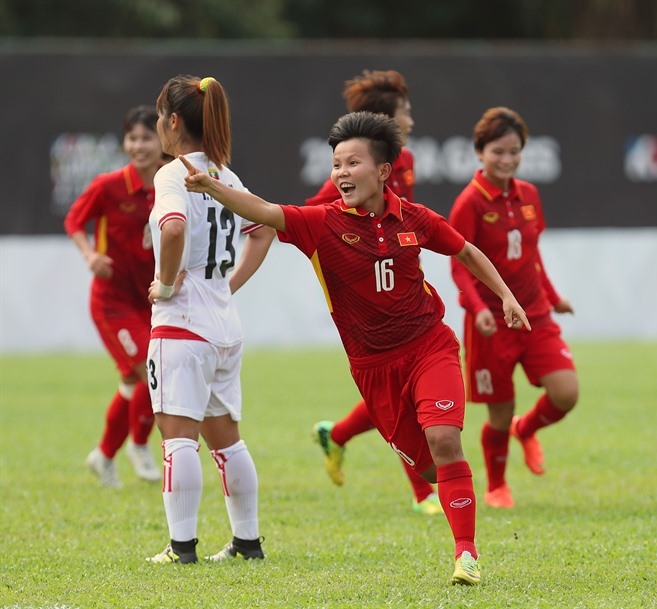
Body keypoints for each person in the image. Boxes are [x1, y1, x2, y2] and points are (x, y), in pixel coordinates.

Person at [180, 110, 532, 585]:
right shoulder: (319, 224)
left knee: (446, 440)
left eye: (352, 163)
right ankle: (442, 494)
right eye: (336, 165)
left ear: (384, 171)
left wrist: (507, 296)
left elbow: (466, 250)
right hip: (373, 369)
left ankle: (466, 555)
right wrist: (213, 187)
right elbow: (263, 211)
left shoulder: (415, 218)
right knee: (431, 470)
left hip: (431, 345)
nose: (341, 174)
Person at [144, 74, 275, 565]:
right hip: (225, 326)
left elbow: (173, 226)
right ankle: (247, 541)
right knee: (227, 440)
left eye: (160, 116)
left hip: (183, 325)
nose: (159, 125)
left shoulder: (172, 173)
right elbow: (262, 231)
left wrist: (166, 282)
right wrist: (228, 284)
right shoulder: (226, 174)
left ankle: (182, 548)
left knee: (178, 436)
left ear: (173, 121)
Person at [307, 69, 442, 515]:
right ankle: (424, 493)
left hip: (406, 289)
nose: (412, 121)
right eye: (406, 113)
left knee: (414, 386)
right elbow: (311, 216)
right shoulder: (352, 173)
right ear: (386, 119)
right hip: (366, 300)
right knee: (401, 392)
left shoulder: (405, 163)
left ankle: (337, 434)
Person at [448, 106, 578, 509]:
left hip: (534, 314)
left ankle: (529, 428)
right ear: (480, 152)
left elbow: (533, 257)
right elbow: (459, 264)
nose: (506, 159)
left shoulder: (529, 196)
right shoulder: (469, 203)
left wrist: (553, 297)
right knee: (499, 414)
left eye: (514, 151)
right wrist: (477, 308)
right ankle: (497, 486)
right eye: (498, 151)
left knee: (566, 392)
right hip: (490, 322)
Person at [64, 105, 166, 488]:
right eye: (132, 138)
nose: (139, 146)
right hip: (112, 302)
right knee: (149, 372)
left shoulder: (171, 183)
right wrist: (91, 255)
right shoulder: (108, 186)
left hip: (153, 301)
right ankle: (139, 445)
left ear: (163, 141)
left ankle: (104, 455)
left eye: (146, 138)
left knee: (133, 384)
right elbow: (74, 220)